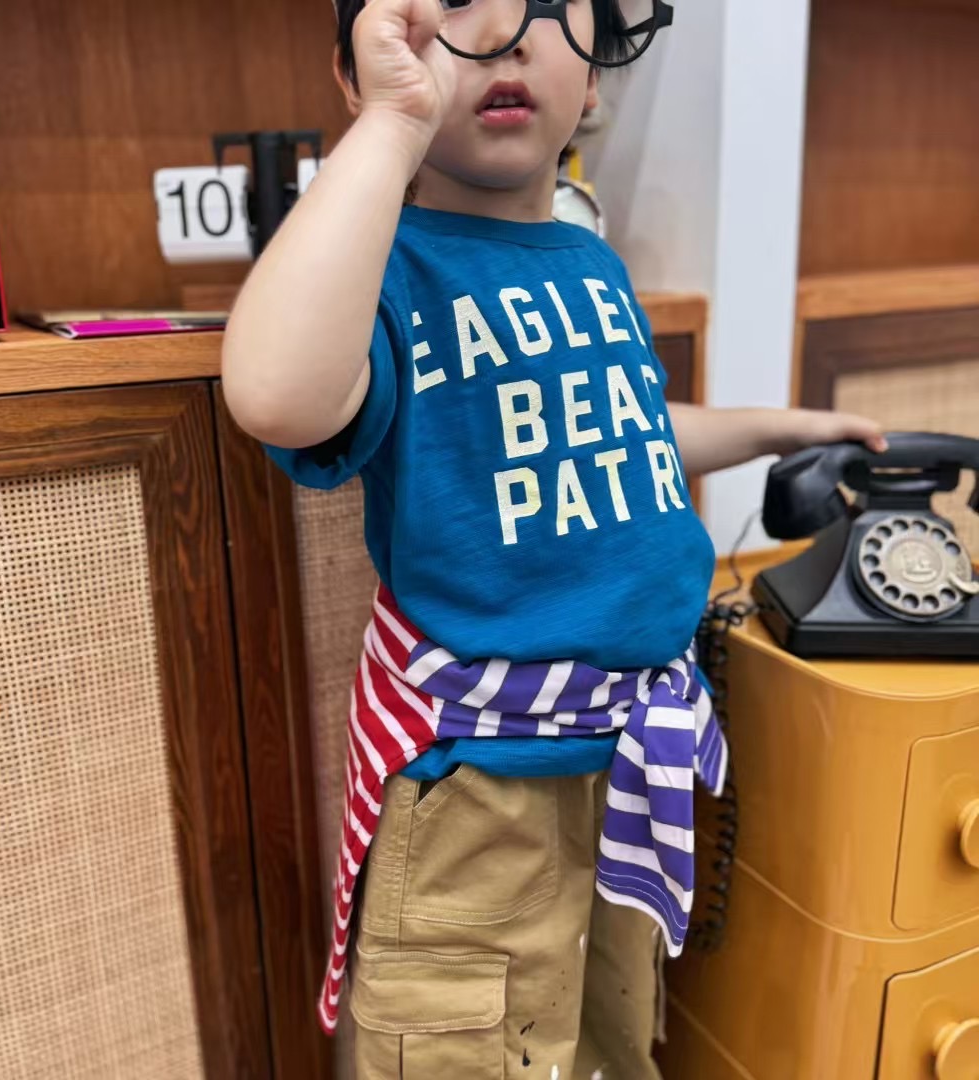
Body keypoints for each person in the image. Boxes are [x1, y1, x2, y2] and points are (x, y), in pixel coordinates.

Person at [223, 1, 885, 1075]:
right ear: (364, 66)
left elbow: (624, 430)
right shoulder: (387, 271)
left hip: (624, 768)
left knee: (608, 1046)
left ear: (597, 68)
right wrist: (393, 125)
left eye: (546, 3)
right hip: (483, 790)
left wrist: (781, 426)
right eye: (454, 6)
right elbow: (276, 394)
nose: (506, 33)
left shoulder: (588, 264)